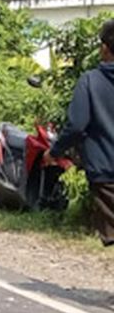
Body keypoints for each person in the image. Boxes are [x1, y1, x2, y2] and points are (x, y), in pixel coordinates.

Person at [47, 19, 114, 246]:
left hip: (106, 172)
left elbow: (76, 126)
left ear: (104, 48)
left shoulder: (90, 81)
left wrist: (54, 152)